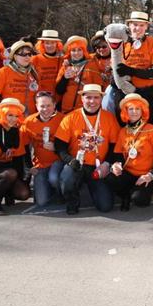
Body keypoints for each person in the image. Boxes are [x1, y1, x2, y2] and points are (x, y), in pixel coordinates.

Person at [53, 83, 120, 215]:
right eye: (88, 98)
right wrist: (70, 161)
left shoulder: (109, 118)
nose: (92, 101)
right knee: (67, 177)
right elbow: (59, 146)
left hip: (97, 167)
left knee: (106, 206)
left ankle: (89, 189)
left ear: (101, 99)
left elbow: (114, 146)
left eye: (96, 98)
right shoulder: (71, 117)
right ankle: (72, 200)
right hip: (77, 164)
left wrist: (107, 163)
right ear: (82, 98)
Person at [106, 94, 153, 211]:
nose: (134, 112)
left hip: (146, 175)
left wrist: (151, 174)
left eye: (137, 108)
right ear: (125, 112)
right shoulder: (123, 131)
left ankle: (134, 192)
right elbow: (118, 153)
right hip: (128, 173)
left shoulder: (152, 130)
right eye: (131, 109)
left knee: (140, 200)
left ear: (142, 110)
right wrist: (117, 164)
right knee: (110, 178)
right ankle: (125, 195)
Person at [115, 11, 153, 126]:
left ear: (146, 26)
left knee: (150, 124)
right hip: (125, 91)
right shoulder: (122, 44)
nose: (138, 28)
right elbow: (116, 69)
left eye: (141, 25)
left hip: (146, 91)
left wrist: (130, 71)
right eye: (135, 25)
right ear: (129, 25)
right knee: (121, 121)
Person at [21, 91, 65, 207]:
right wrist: (29, 166)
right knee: (41, 202)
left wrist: (56, 148)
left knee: (54, 178)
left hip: (58, 161)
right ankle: (49, 189)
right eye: (42, 106)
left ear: (54, 105)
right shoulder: (29, 122)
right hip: (40, 164)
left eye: (48, 105)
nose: (45, 109)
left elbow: (71, 146)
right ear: (36, 106)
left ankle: (61, 193)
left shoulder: (63, 119)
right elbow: (25, 147)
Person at [0, 40, 40, 115]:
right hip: (10, 118)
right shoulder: (3, 72)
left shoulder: (33, 72)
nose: (27, 57)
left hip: (30, 117)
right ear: (15, 56)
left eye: (29, 54)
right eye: (23, 54)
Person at [55, 36, 102, 113]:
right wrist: (65, 78)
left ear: (84, 51)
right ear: (69, 52)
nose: (76, 53)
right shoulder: (65, 66)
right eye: (73, 50)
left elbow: (99, 88)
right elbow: (59, 91)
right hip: (67, 109)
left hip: (87, 109)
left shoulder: (91, 65)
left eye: (79, 50)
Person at [32, 29, 64, 97]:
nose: (50, 46)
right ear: (42, 44)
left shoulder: (62, 60)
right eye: (47, 43)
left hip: (57, 99)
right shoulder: (34, 59)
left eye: (53, 43)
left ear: (57, 44)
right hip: (40, 99)